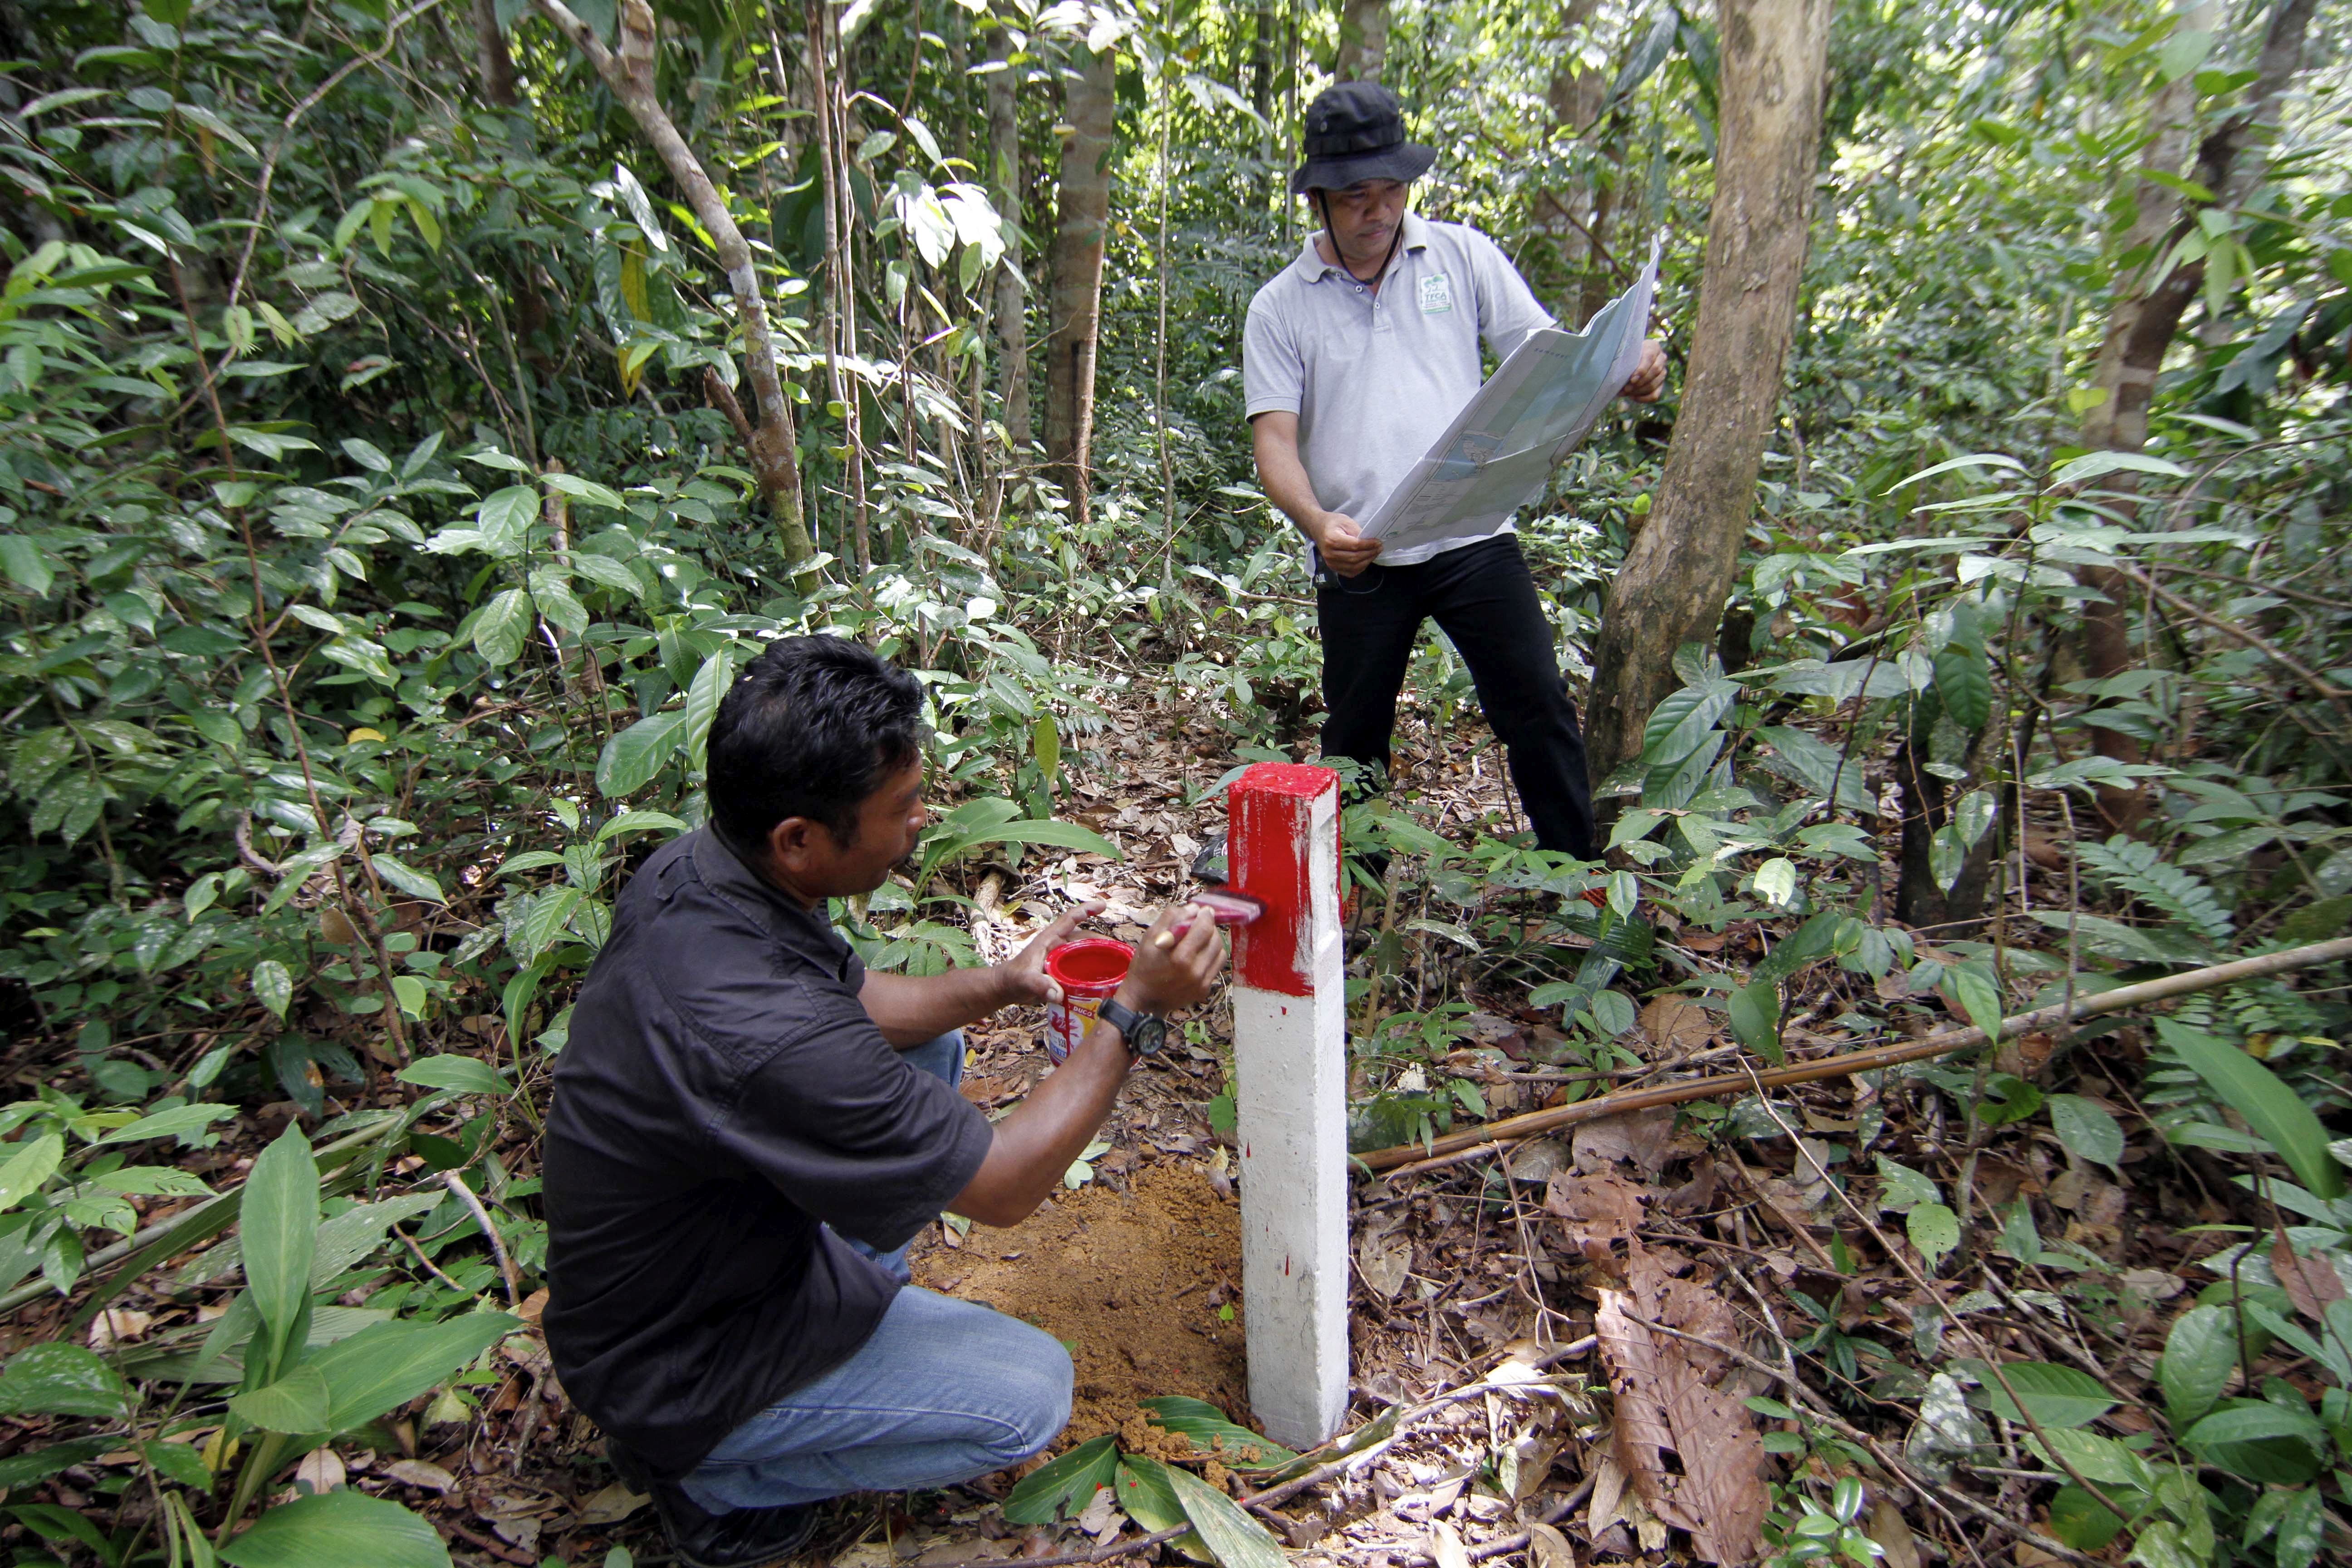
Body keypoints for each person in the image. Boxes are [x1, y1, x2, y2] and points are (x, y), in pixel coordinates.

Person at [542, 635, 1227, 1568]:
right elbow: (1003, 1188)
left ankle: (854, 1327)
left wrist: (1001, 983)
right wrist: (1136, 1012)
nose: (920, 824)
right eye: (901, 810)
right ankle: (711, 1478)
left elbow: (858, 1005)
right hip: (680, 1364)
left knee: (930, 1045)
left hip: (702, 1271)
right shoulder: (766, 1033)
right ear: (799, 840)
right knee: (1028, 1396)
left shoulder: (702, 872)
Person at [1243, 81, 1668, 861]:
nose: (1378, 212)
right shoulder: (1281, 308)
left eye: (1392, 191)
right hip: (1361, 550)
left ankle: (1580, 884)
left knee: (1537, 704)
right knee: (1356, 737)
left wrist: (1626, 364)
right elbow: (1275, 441)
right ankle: (1353, 912)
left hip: (1473, 532)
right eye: (1356, 197)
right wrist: (1317, 524)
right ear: (1320, 202)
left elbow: (1549, 361)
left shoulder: (1462, 254)